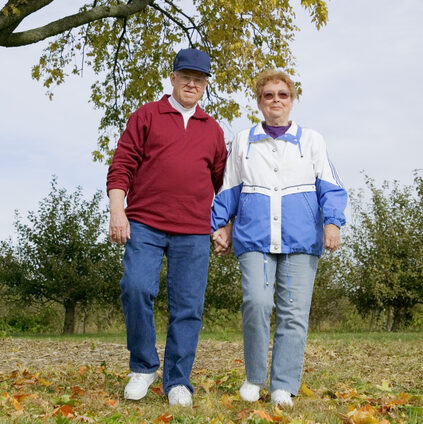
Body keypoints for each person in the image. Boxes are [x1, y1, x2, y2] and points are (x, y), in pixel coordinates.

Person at [211, 69, 347, 407]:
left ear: (292, 100)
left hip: (301, 239)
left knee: (294, 313)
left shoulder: (312, 140)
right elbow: (229, 187)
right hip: (254, 237)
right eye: (268, 95)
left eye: (282, 94)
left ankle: (283, 384)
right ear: (259, 101)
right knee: (256, 302)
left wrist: (333, 223)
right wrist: (220, 225)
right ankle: (255, 378)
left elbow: (330, 186)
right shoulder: (243, 141)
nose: (276, 100)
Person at [107, 48, 227, 407]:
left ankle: (178, 380)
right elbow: (121, 165)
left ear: (205, 85)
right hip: (144, 222)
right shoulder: (146, 115)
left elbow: (223, 185)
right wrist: (118, 210)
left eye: (199, 79)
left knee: (188, 306)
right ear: (172, 78)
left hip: (193, 230)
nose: (192, 83)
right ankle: (144, 367)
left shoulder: (213, 130)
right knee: (135, 287)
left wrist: (224, 226)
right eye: (185, 76)